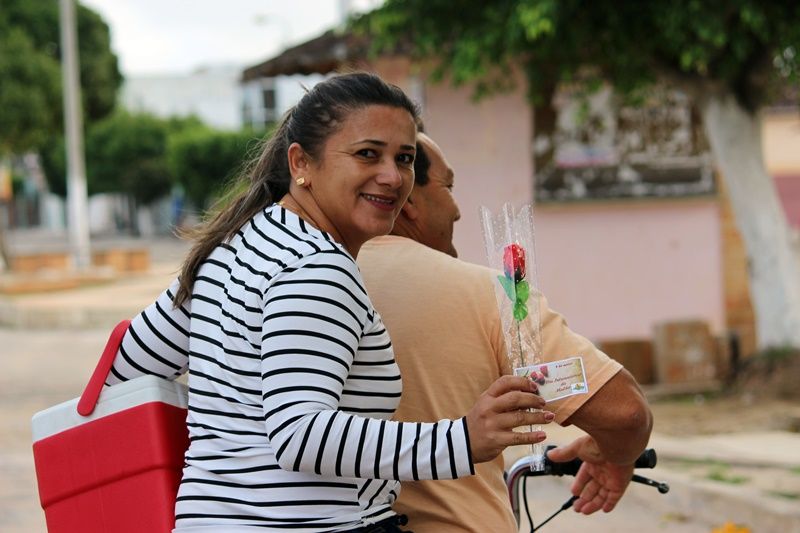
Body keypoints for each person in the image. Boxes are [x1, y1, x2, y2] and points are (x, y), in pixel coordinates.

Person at [105, 73, 553, 533]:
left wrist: (230, 449)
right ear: (300, 162)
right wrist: (462, 438)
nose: (392, 177)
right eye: (367, 154)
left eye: (404, 158)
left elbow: (126, 367)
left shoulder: (233, 245)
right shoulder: (316, 265)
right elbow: (301, 434)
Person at [357, 132, 653, 531]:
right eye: (447, 187)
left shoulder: (302, 283)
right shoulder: (491, 296)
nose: (456, 210)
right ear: (406, 197)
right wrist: (613, 453)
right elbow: (625, 413)